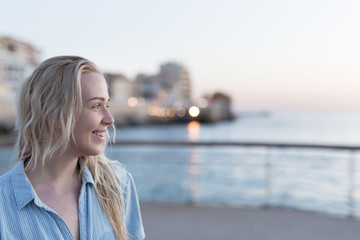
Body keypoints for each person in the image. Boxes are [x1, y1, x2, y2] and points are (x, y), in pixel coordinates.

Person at [0, 56, 145, 240]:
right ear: (53, 114)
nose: (110, 119)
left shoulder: (119, 183)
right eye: (96, 106)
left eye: (106, 105)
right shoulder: (3, 205)